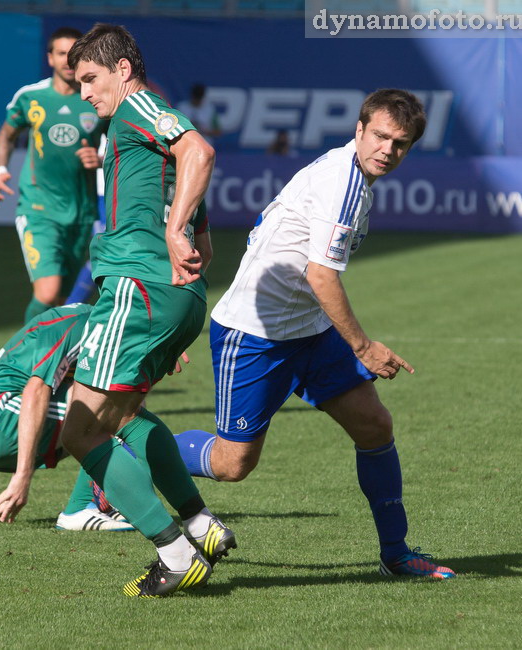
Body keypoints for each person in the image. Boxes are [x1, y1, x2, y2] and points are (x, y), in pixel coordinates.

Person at [0, 23, 235, 599]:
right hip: (168, 295)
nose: (86, 93)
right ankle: (201, 527)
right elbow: (202, 224)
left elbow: (200, 150)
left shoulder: (140, 104)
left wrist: (172, 234)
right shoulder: (137, 123)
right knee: (122, 420)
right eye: (78, 82)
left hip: (138, 288)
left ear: (123, 69)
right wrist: (183, 247)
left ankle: (176, 554)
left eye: (92, 79)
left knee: (79, 428)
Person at [174, 89, 456, 580]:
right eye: (382, 136)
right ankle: (130, 456)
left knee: (374, 426)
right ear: (360, 130)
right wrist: (364, 347)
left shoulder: (355, 176)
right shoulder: (341, 183)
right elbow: (319, 275)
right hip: (255, 332)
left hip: (308, 328)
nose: (388, 150)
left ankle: (397, 553)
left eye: (401, 143)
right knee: (232, 464)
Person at [0, 302, 135, 532]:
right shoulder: (81, 324)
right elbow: (35, 391)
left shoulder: (110, 325)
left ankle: (98, 501)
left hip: (4, 421)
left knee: (126, 400)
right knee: (111, 403)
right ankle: (80, 509)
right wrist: (22, 477)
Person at [0, 27, 107, 323]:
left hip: (81, 214)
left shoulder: (97, 98)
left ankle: (47, 364)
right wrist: (1, 170)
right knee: (46, 293)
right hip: (39, 208)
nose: (68, 60)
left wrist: (101, 158)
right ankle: (16, 359)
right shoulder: (31, 97)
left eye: (73, 53)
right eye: (60, 53)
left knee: (58, 302)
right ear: (50, 58)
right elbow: (6, 134)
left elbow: (121, 144)